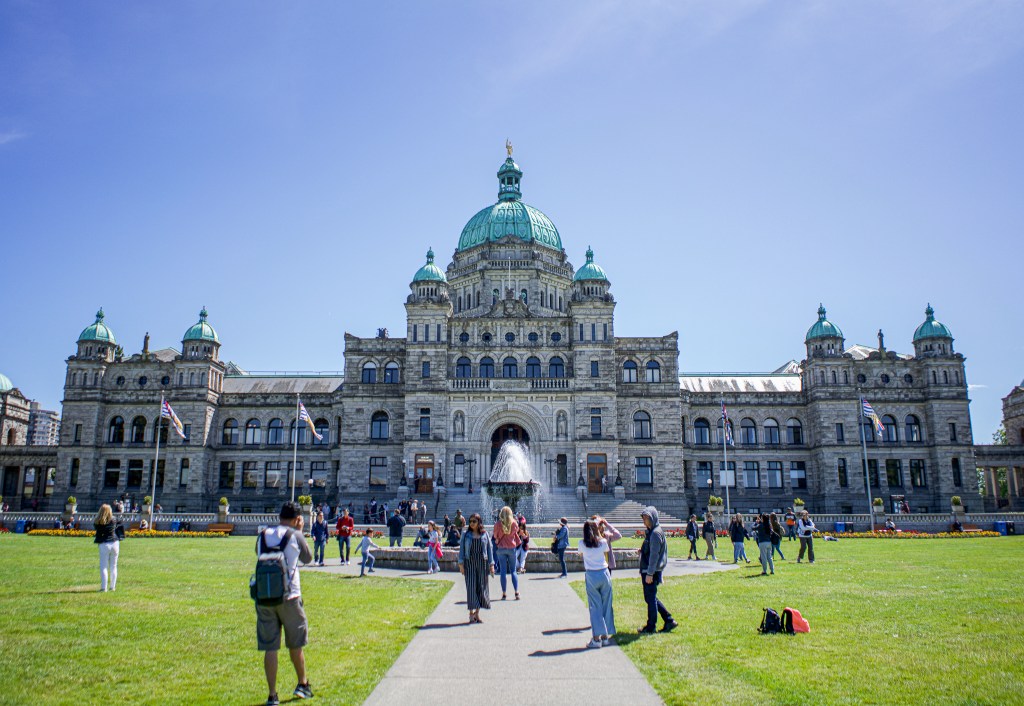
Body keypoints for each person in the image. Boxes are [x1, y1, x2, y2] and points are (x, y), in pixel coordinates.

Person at [255, 501, 314, 705]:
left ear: (279, 516)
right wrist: (300, 532)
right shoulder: (295, 535)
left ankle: (272, 695)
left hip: (265, 596)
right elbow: (307, 558)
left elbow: (259, 554)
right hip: (290, 597)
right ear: (298, 519)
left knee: (270, 648)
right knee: (296, 644)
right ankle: (302, 684)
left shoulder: (263, 534)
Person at [638, 507, 677, 634]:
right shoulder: (652, 532)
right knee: (651, 598)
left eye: (646, 518)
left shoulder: (655, 533)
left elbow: (654, 555)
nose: (644, 521)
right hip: (649, 570)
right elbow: (651, 550)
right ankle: (669, 620)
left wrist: (650, 573)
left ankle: (651, 626)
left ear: (653, 518)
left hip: (651, 571)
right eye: (643, 518)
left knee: (650, 599)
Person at [579, 519, 616, 648]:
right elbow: (605, 553)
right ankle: (605, 637)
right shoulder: (603, 542)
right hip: (604, 573)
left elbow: (581, 554)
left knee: (595, 607)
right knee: (607, 605)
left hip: (591, 575)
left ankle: (596, 639)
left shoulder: (582, 543)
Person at [458, 512, 494, 624]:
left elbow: (489, 549)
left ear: (479, 522)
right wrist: (461, 564)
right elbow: (462, 550)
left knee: (481, 588)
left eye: (474, 521)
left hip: (482, 563)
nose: (472, 523)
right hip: (469, 563)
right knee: (471, 588)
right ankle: (471, 613)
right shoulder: (466, 534)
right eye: (470, 521)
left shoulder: (485, 534)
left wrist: (491, 565)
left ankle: (477, 613)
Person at [492, 506, 521, 600]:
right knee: (513, 571)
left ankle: (504, 593)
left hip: (501, 548)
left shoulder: (497, 524)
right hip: (512, 548)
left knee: (503, 572)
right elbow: (516, 532)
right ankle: (516, 592)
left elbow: (495, 536)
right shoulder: (514, 523)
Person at [93, 504, 123, 592]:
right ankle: (112, 587)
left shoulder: (98, 521)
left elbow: (97, 530)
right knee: (114, 566)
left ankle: (104, 587)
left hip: (104, 543)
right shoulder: (114, 519)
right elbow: (120, 526)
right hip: (115, 542)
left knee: (104, 566)